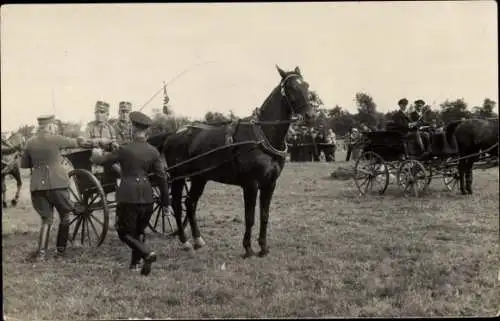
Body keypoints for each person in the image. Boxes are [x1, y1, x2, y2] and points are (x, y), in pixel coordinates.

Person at [90, 111, 169, 276]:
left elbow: (101, 161)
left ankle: (147, 253)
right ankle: (135, 264)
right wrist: (166, 203)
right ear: (146, 131)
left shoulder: (125, 149)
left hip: (128, 195)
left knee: (123, 232)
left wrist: (96, 152)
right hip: (148, 196)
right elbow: (162, 179)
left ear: (133, 128)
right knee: (139, 231)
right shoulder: (154, 151)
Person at [19, 115, 85, 260]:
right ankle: (60, 252)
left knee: (46, 219)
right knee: (65, 215)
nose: (55, 127)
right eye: (53, 125)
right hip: (58, 184)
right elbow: (76, 143)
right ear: (49, 126)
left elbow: (24, 165)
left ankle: (41, 254)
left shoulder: (29, 142)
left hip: (37, 186)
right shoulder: (56, 138)